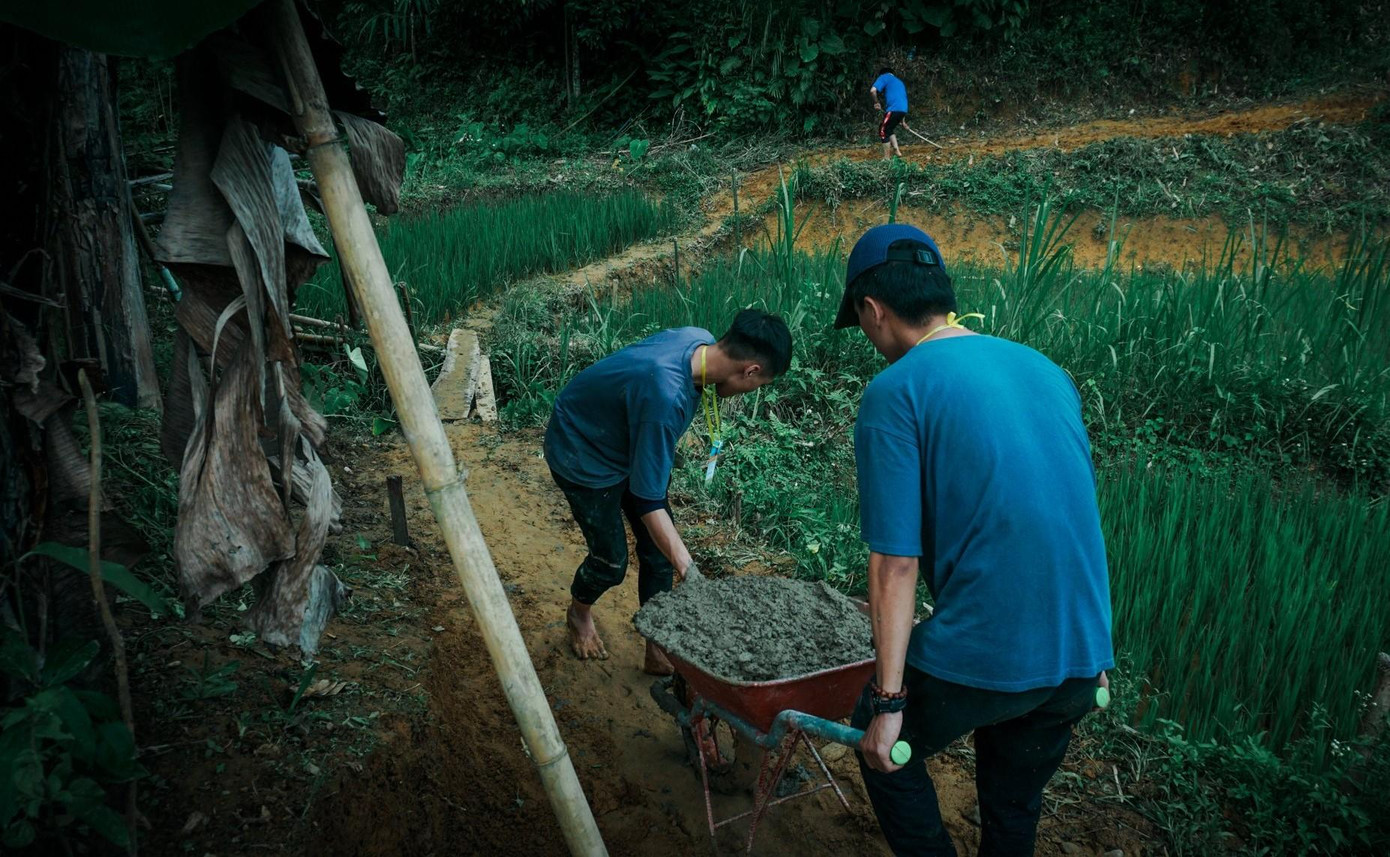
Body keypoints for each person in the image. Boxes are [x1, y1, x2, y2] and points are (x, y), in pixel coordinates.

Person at [835, 224, 1114, 856]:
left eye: (862, 324)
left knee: (878, 742)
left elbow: (895, 564)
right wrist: (1091, 651)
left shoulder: (895, 391)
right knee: (1014, 802)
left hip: (994, 654)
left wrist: (889, 701)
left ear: (874, 311)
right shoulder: (1045, 369)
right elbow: (1069, 516)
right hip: (1082, 656)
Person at [544, 309, 793, 674]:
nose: (752, 390)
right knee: (611, 562)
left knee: (658, 556)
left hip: (627, 437)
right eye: (759, 384)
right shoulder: (665, 396)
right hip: (582, 450)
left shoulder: (697, 339)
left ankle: (655, 642)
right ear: (751, 370)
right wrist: (689, 570)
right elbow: (648, 501)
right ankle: (578, 613)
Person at [871, 67, 909, 160]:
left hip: (893, 109)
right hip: (903, 109)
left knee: (883, 131)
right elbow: (902, 99)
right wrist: (903, 121)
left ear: (882, 74)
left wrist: (876, 102)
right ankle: (896, 150)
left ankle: (886, 158)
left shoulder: (884, 77)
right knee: (889, 128)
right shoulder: (900, 82)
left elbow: (872, 90)